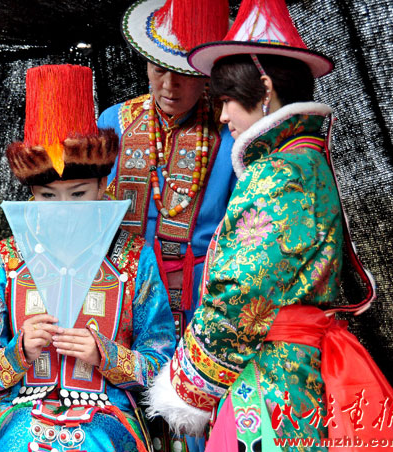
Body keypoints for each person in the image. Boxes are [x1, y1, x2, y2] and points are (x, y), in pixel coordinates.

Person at [147, 0, 393, 450]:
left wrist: (186, 387)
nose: (223, 116)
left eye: (226, 100)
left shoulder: (275, 174)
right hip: (303, 367)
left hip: (267, 378)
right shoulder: (310, 161)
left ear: (264, 89)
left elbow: (241, 290)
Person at [0, 64, 176, 452]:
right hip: (21, 411)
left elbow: (162, 364)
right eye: (48, 196)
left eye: (78, 194)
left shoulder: (132, 260)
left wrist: (105, 355)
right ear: (31, 194)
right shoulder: (7, 260)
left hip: (108, 415)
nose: (63, 208)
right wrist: (18, 352)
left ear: (103, 184)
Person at [98, 1, 234, 450]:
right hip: (124, 290)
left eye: (183, 74)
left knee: (194, 417)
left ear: (206, 73)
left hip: (197, 296)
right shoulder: (114, 122)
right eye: (159, 70)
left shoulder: (228, 129)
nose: (169, 86)